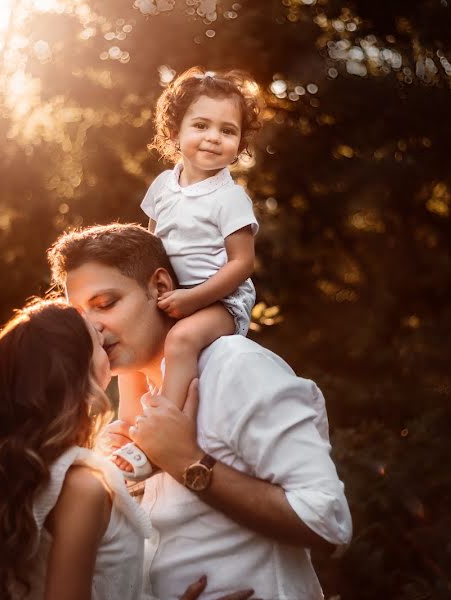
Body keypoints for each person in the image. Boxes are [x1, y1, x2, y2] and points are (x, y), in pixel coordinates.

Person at [47, 224, 353, 600]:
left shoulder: (234, 369)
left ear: (159, 288)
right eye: (79, 316)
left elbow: (328, 522)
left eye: (106, 304)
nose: (92, 329)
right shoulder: (126, 413)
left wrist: (190, 463)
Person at [0, 299, 251, 600]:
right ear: (77, 371)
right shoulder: (82, 488)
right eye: (97, 341)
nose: (104, 336)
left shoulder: (25, 473)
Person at [113, 67, 261, 480]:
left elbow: (241, 264)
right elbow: (150, 247)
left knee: (179, 341)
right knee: (129, 340)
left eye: (227, 130)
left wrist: (195, 300)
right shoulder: (163, 185)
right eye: (201, 125)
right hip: (172, 291)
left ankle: (159, 438)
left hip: (220, 299)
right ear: (175, 133)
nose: (214, 137)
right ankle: (127, 426)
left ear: (238, 145)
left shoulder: (230, 198)